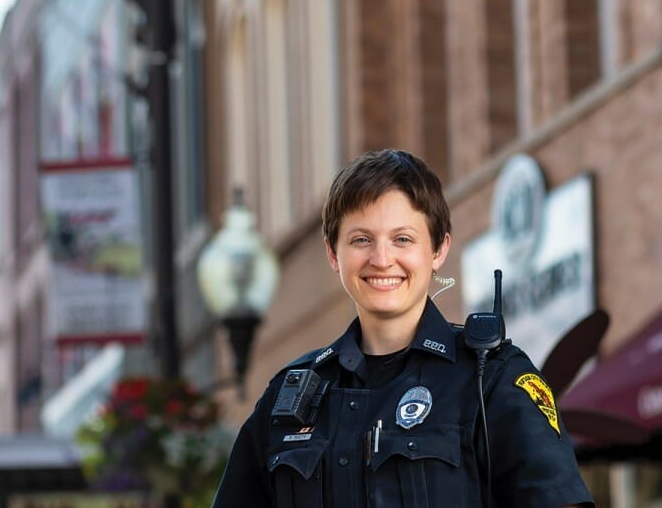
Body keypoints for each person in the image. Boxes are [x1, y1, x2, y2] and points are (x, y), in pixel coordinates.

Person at [212, 149, 593, 507]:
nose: (381, 259)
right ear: (332, 253)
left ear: (439, 250)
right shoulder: (288, 397)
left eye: (402, 239)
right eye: (361, 239)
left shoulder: (492, 378)